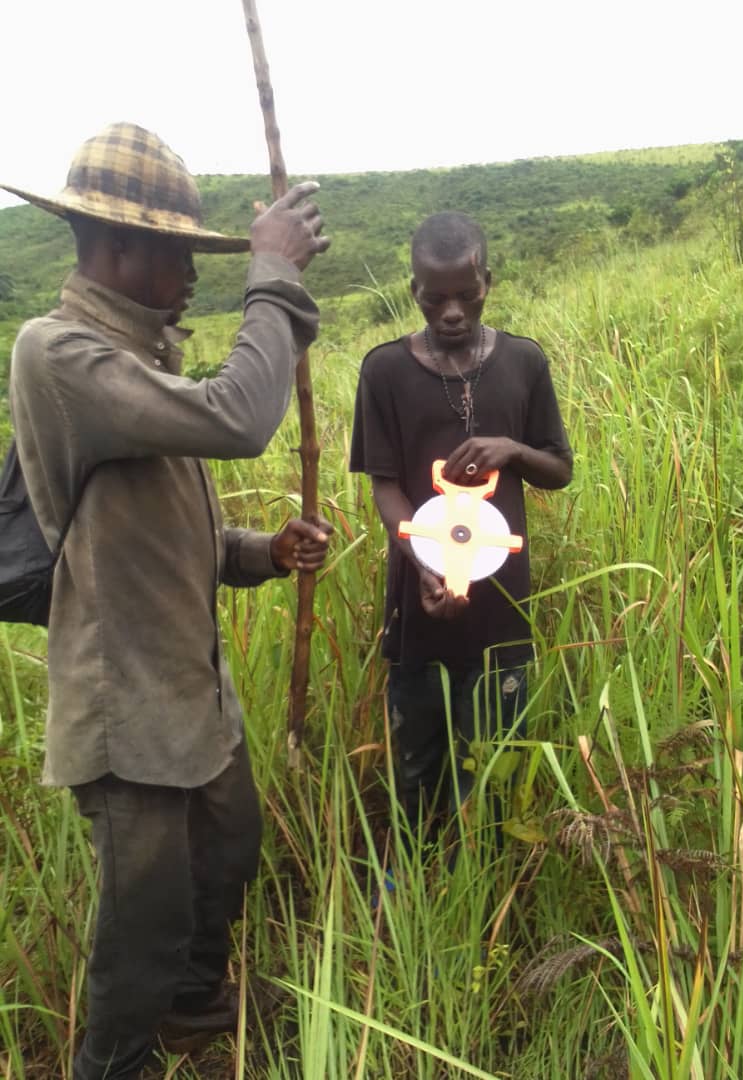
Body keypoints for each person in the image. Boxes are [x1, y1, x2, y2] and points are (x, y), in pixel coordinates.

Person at [4, 122, 332, 1077]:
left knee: (230, 850)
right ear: (118, 250)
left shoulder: (143, 357)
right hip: (129, 705)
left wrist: (260, 552)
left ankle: (193, 1008)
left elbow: (161, 535)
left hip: (193, 688)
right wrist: (271, 275)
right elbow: (240, 417)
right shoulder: (60, 355)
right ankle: (118, 1060)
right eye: (179, 255)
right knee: (141, 922)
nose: (191, 275)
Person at [350, 211, 573, 859]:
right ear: (412, 290)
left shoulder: (523, 362)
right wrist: (420, 558)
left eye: (465, 294)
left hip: (500, 610)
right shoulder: (384, 372)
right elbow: (385, 484)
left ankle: (488, 892)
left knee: (497, 767)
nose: (450, 311)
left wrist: (511, 449)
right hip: (416, 603)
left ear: (487, 283)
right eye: (432, 296)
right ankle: (405, 883)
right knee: (417, 767)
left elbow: (557, 469)